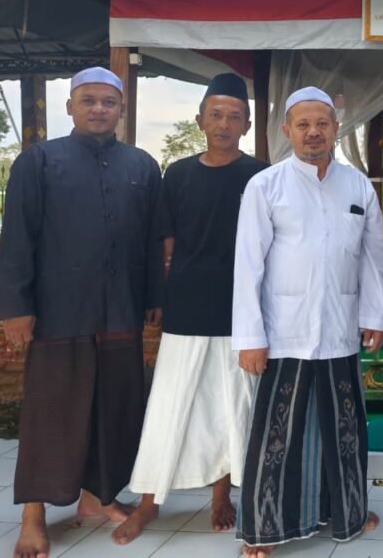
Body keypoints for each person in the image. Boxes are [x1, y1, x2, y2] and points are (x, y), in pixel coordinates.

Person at [0, 66, 162, 558]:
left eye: (108, 102)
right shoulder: (39, 162)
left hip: (120, 309)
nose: (98, 109)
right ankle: (33, 514)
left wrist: (153, 296)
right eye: (88, 100)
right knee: (51, 410)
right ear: (70, 106)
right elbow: (17, 238)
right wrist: (17, 307)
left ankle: (97, 497)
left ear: (122, 109)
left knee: (113, 408)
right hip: (58, 311)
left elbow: (152, 240)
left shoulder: (142, 166)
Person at [232, 86, 383, 558]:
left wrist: (375, 315)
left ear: (337, 128)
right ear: (287, 130)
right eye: (303, 124)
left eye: (322, 123)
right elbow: (248, 265)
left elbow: (373, 257)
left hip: (341, 327)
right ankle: (264, 529)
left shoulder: (357, 185)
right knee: (278, 433)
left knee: (344, 430)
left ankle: (347, 513)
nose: (313, 132)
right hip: (284, 330)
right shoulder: (266, 185)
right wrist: (250, 337)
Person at [113, 73, 268, 544]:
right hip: (186, 304)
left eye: (234, 117)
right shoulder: (178, 174)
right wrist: (160, 296)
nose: (224, 124)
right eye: (215, 115)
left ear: (246, 125)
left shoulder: (261, 175)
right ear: (200, 120)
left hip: (242, 309)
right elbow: (165, 241)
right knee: (171, 404)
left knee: (232, 404)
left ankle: (223, 494)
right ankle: (149, 501)